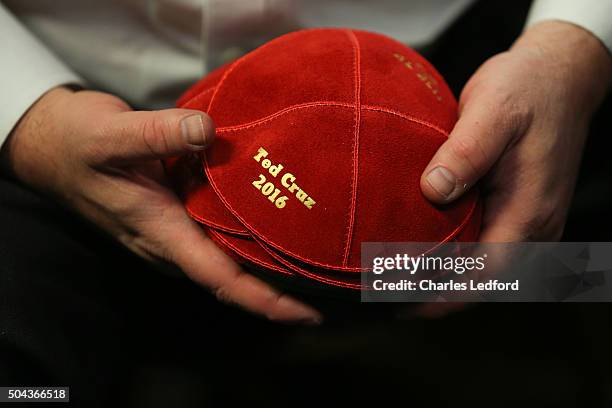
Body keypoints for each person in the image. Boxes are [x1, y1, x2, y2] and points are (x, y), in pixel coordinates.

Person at [0, 0, 611, 359]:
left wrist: (579, 44)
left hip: (487, 70)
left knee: (578, 270)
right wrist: (24, 117)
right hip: (66, 110)